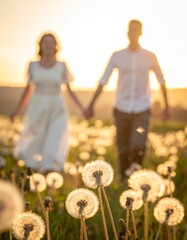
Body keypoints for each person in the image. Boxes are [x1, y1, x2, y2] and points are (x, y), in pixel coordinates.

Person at [85, 19, 169, 180]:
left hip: (142, 109)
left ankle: (136, 179)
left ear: (141, 33)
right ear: (127, 33)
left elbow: (161, 81)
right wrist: (90, 105)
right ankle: (124, 180)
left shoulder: (150, 57)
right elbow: (103, 80)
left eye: (136, 30)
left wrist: (166, 106)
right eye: (131, 30)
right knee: (122, 148)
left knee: (139, 146)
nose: (133, 33)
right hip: (121, 109)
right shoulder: (117, 56)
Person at [11, 32, 85, 173]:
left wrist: (82, 109)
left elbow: (69, 90)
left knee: (54, 137)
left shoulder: (62, 65)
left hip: (57, 107)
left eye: (51, 42)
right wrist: (16, 112)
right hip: (37, 106)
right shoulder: (32, 65)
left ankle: (49, 169)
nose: (48, 45)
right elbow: (27, 90)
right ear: (40, 45)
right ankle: (34, 169)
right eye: (45, 42)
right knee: (35, 137)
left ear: (56, 46)